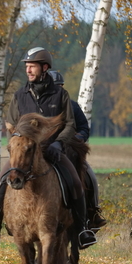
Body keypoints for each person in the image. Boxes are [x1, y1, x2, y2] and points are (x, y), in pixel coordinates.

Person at [0, 47, 97, 252]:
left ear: (44, 68)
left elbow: (70, 124)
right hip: (24, 154)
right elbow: (11, 126)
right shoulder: (19, 96)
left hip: (53, 152)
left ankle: (82, 230)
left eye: (32, 66)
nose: (28, 70)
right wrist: (16, 148)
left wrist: (59, 144)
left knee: (76, 183)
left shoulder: (60, 95)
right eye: (27, 66)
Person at [48, 70, 107, 230]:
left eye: (60, 86)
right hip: (44, 152)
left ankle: (93, 213)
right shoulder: (40, 106)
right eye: (54, 86)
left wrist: (75, 140)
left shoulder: (72, 106)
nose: (57, 89)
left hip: (68, 152)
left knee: (90, 176)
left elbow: (83, 129)